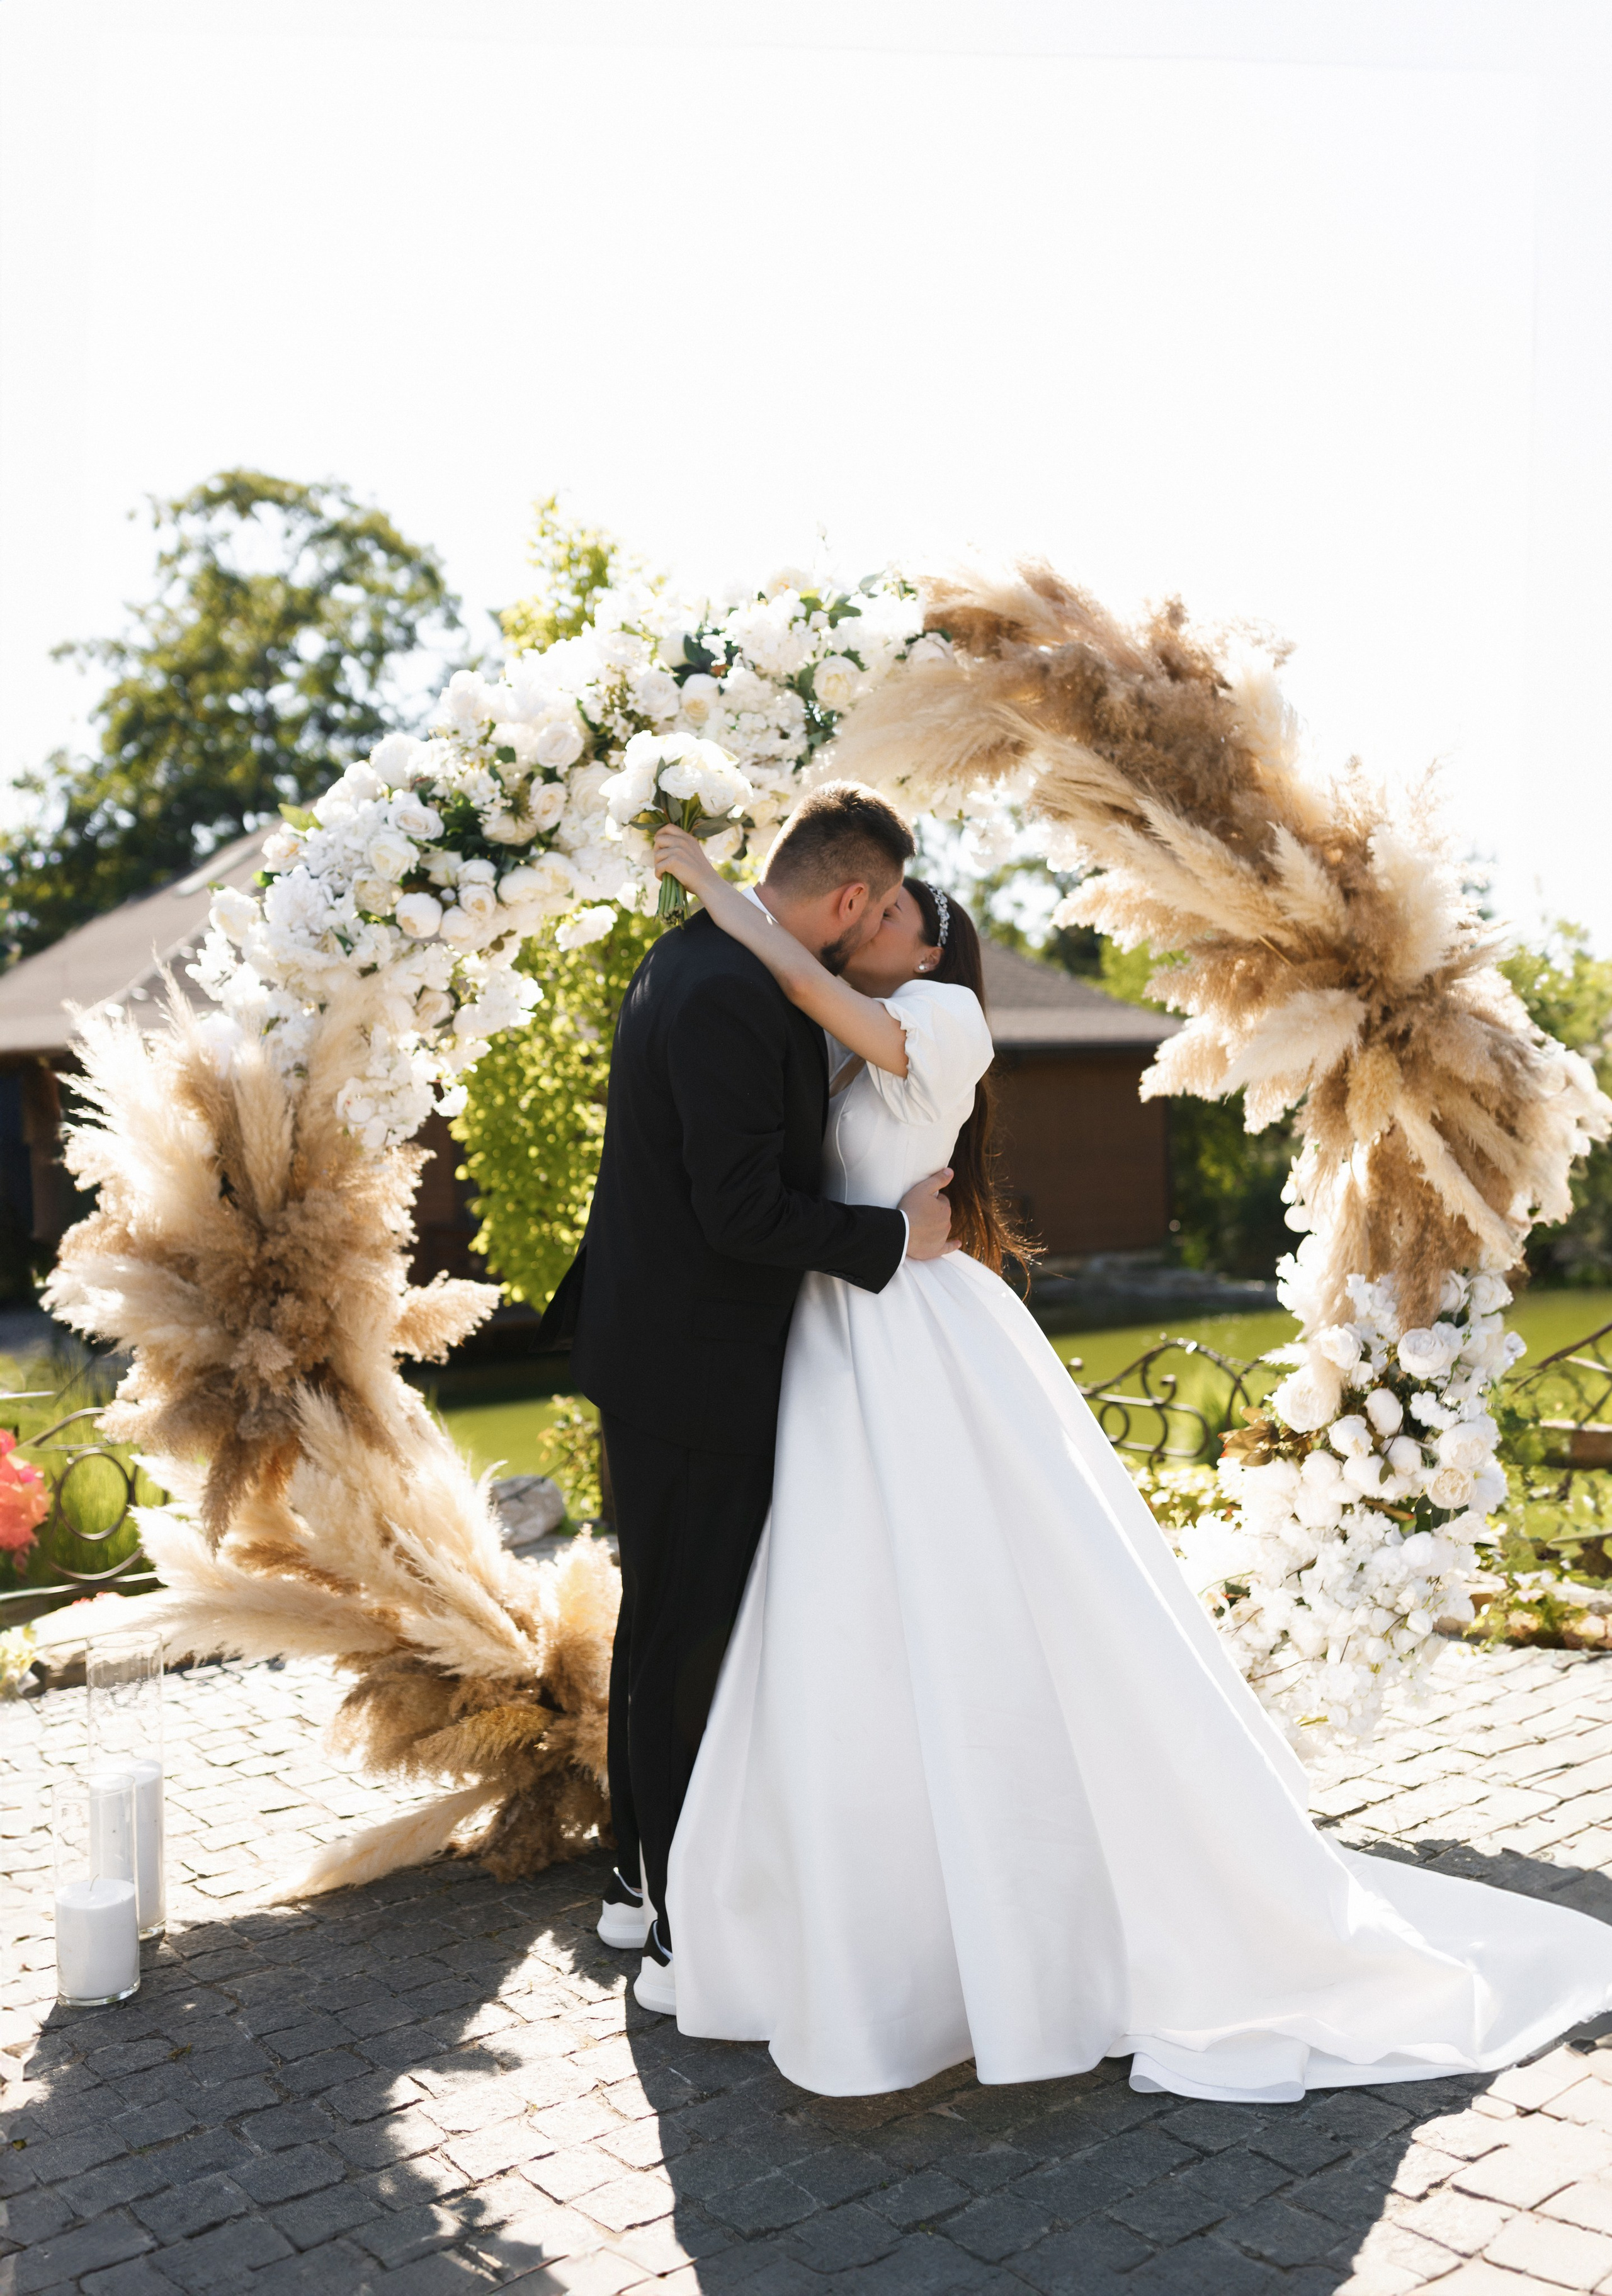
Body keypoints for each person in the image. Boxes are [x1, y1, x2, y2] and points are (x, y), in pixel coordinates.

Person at [648, 820, 1612, 2104]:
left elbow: (806, 979)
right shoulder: (841, 1029)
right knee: (841, 1603)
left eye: (888, 916)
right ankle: (843, 1917)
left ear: (932, 945)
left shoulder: (941, 1016)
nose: (868, 922)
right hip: (841, 1330)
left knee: (964, 1583)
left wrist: (716, 889)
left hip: (916, 1336)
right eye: (864, 912)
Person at [535, 782, 956, 2015]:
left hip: (655, 1347)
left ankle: (630, 1877)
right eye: (879, 906)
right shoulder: (728, 995)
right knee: (690, 1634)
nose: (884, 926)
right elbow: (740, 1210)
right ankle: (671, 1902)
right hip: (692, 1361)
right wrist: (893, 1238)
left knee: (662, 1616)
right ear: (846, 897)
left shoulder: (694, 957)